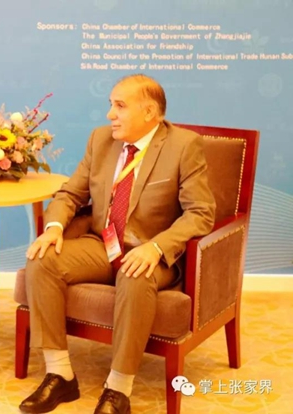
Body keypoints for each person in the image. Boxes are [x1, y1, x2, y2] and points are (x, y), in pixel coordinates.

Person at [18, 74, 216, 414]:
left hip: (152, 252)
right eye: (111, 104)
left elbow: (201, 212)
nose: (110, 114)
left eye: (120, 106)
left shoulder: (184, 145)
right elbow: (70, 193)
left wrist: (156, 247)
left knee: (135, 274)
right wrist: (53, 227)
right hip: (102, 244)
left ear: (149, 112)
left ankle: (118, 389)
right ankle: (60, 374)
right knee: (43, 258)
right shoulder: (101, 140)